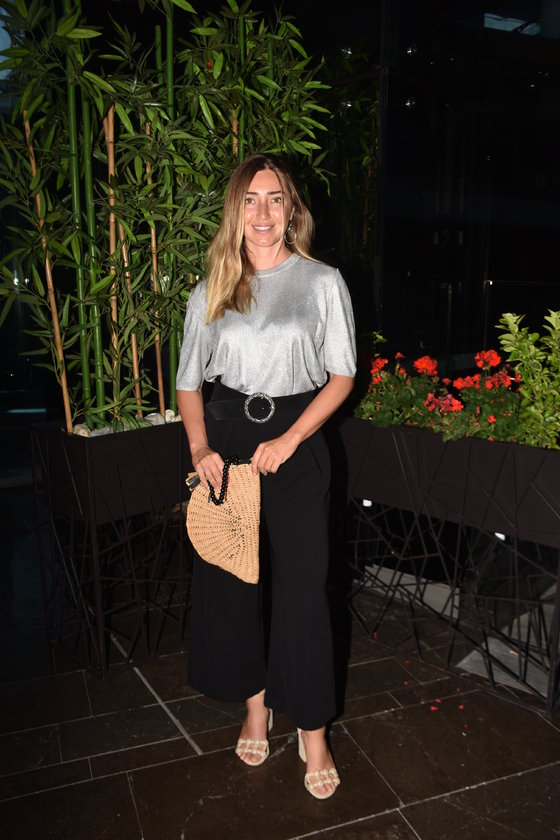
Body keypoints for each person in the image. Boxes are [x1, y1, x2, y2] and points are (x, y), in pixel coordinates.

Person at [176, 153, 356, 800]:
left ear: (291, 210)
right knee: (235, 584)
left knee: (304, 591)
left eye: (274, 198)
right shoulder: (211, 290)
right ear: (235, 211)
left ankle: (313, 730)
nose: (262, 212)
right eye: (250, 199)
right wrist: (200, 447)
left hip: (298, 440)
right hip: (227, 442)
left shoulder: (322, 282)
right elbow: (188, 383)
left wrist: (291, 436)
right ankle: (255, 707)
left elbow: (342, 376)